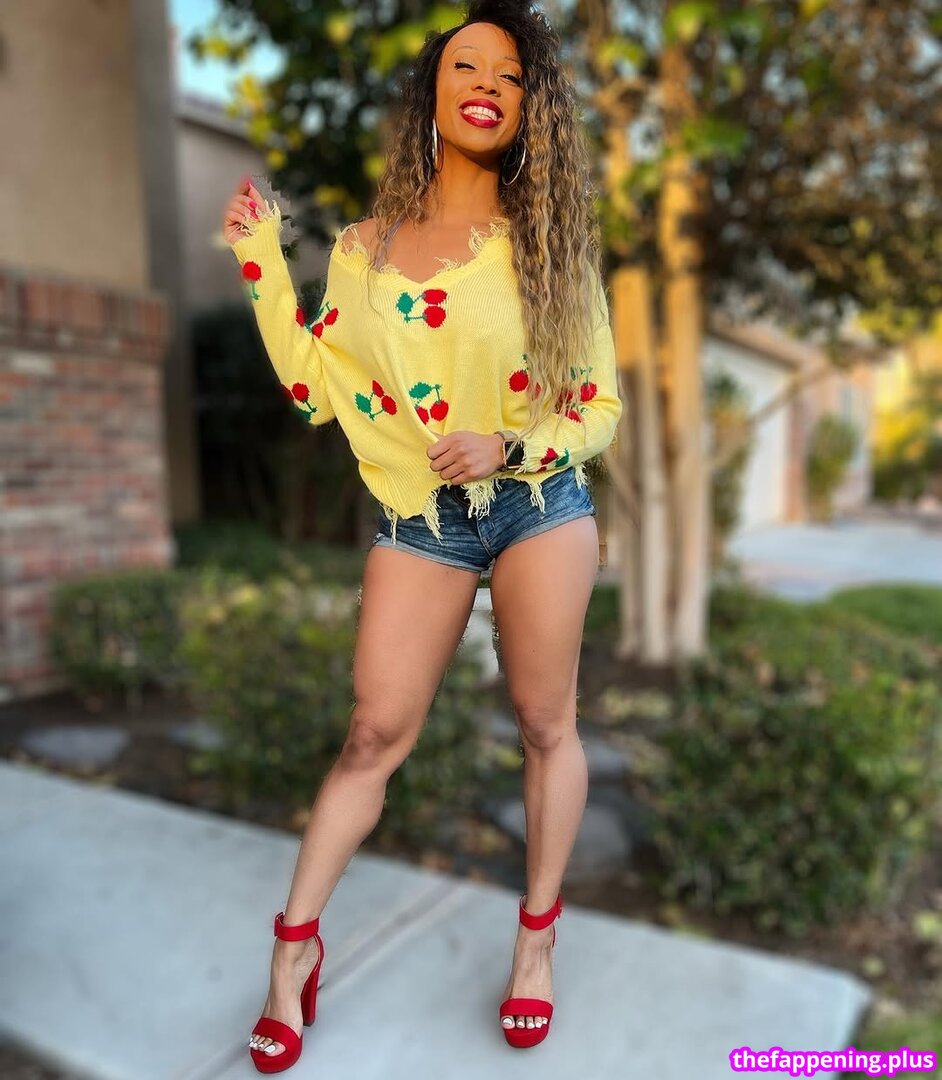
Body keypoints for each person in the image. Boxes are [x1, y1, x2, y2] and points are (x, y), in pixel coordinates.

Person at [221, 0, 623, 1069]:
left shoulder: (549, 247)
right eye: (466, 65)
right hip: (421, 520)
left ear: (529, 108)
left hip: (538, 503)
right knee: (371, 736)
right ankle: (293, 955)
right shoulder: (362, 250)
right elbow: (316, 388)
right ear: (433, 92)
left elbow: (598, 408)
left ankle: (535, 942)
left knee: (544, 724)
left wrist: (512, 445)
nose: (487, 82)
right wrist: (263, 260)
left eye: (511, 73)